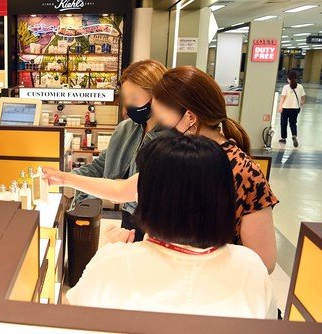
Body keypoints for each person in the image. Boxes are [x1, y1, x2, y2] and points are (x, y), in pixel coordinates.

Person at [44, 66, 279, 273]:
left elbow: (263, 261)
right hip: (177, 280)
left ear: (189, 117)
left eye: (163, 117)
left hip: (211, 288)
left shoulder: (242, 171)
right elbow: (124, 190)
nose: (161, 125)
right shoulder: (179, 157)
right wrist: (63, 178)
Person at [66, 133, 277, 319]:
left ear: (149, 198)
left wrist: (112, 250)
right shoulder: (252, 269)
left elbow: (76, 318)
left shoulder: (113, 263)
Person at [71, 59, 167, 240]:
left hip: (158, 226)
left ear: (157, 95)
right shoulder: (125, 129)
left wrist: (115, 189)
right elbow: (100, 167)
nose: (129, 104)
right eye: (126, 98)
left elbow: (134, 191)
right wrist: (68, 180)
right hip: (129, 219)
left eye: (135, 98)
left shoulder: (171, 139)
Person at [278, 71, 305, 147]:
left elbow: (282, 98)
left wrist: (280, 106)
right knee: (293, 124)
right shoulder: (300, 87)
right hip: (295, 109)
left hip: (285, 108)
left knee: (284, 123)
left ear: (288, 79)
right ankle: (294, 135)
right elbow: (303, 98)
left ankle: (283, 138)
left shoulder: (286, 87)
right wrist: (301, 103)